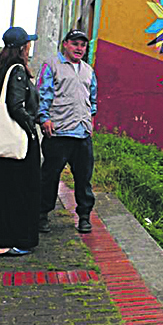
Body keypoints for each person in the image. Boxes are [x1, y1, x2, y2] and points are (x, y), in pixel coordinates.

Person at [0, 27, 41, 256]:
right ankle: (10, 241)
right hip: (17, 142)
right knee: (20, 191)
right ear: (22, 48)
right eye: (28, 44)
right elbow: (16, 106)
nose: (30, 47)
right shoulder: (17, 70)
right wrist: (32, 130)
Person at [37, 29, 98, 234]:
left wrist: (90, 119)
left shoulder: (88, 70)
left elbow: (93, 98)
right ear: (65, 44)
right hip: (58, 133)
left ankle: (84, 217)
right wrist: (44, 117)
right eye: (75, 44)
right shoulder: (51, 65)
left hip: (82, 134)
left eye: (82, 45)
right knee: (49, 176)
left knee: (83, 179)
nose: (79, 48)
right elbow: (42, 94)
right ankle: (42, 215)